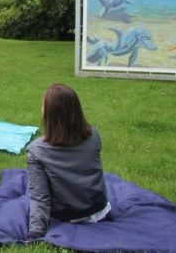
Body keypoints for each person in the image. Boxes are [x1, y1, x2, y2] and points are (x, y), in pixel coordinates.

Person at [26, 84, 111, 239]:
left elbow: (39, 197)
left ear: (50, 113)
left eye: (44, 105)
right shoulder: (94, 135)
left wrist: (36, 232)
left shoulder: (36, 150)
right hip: (99, 210)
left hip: (66, 216)